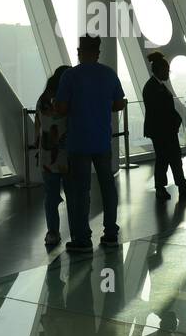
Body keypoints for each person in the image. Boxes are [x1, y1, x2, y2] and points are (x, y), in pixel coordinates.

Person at [55, 36, 127, 253]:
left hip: (78, 142)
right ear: (98, 51)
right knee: (108, 187)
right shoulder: (108, 74)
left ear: (79, 51)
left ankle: (83, 238)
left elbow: (61, 108)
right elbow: (118, 103)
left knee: (81, 191)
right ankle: (111, 232)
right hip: (102, 141)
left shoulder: (70, 76)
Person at [143, 53, 186, 200]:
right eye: (166, 70)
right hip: (161, 131)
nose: (168, 73)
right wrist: (175, 121)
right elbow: (159, 111)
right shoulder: (153, 87)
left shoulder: (155, 86)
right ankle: (164, 187)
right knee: (164, 158)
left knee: (173, 157)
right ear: (159, 70)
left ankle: (179, 185)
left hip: (165, 130)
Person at [35, 65, 71, 247]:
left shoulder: (42, 100)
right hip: (67, 155)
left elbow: (38, 126)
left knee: (51, 197)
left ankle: (52, 233)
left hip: (47, 156)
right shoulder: (66, 99)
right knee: (74, 195)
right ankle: (78, 232)